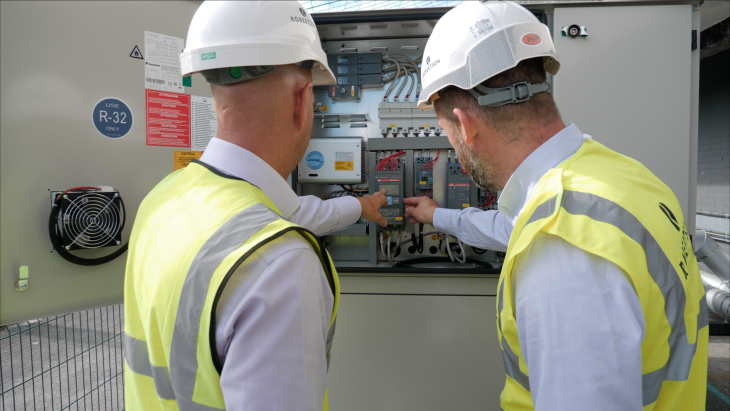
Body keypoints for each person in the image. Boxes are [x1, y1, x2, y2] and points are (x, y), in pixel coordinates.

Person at [404, 2, 708, 410]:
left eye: (447, 134)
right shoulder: (617, 178)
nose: (453, 151)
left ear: (466, 123)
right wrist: (436, 216)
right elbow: (514, 225)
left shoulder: (561, 249)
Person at [123, 2, 388, 410]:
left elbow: (292, 212)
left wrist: (359, 206)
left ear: (215, 95)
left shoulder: (161, 200)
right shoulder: (279, 264)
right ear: (303, 100)